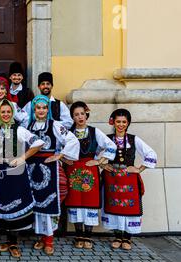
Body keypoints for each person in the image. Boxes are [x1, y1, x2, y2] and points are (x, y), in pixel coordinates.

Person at [0, 100, 44, 258]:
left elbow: (38, 143)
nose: (5, 115)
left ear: (12, 113)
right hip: (0, 172)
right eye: (3, 112)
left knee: (15, 202)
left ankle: (14, 241)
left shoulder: (20, 130)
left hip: (16, 172)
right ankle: (7, 239)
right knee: (4, 202)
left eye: (8, 112)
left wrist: (23, 157)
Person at [27, 95, 79, 255]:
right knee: (36, 203)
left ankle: (49, 239)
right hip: (32, 168)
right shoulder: (29, 126)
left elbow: (72, 141)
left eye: (44, 108)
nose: (41, 110)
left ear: (47, 110)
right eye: (38, 108)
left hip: (50, 168)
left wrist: (60, 155)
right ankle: (41, 237)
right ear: (34, 110)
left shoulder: (55, 125)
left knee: (49, 202)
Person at [101, 108, 157, 250]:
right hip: (112, 179)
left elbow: (150, 153)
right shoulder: (107, 138)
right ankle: (117, 236)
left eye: (124, 122)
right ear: (113, 122)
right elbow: (94, 154)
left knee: (129, 207)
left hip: (129, 180)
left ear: (128, 123)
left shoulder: (133, 139)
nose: (121, 124)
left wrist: (139, 169)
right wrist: (103, 164)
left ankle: (127, 238)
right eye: (118, 121)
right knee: (114, 205)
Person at [65, 101, 116, 249]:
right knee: (75, 202)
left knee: (89, 203)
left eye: (82, 113)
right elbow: (58, 148)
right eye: (76, 115)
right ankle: (78, 235)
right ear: (72, 117)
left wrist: (99, 161)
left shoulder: (94, 132)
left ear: (86, 114)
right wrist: (64, 159)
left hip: (90, 170)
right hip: (73, 170)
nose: (80, 117)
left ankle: (88, 236)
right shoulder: (69, 133)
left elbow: (111, 145)